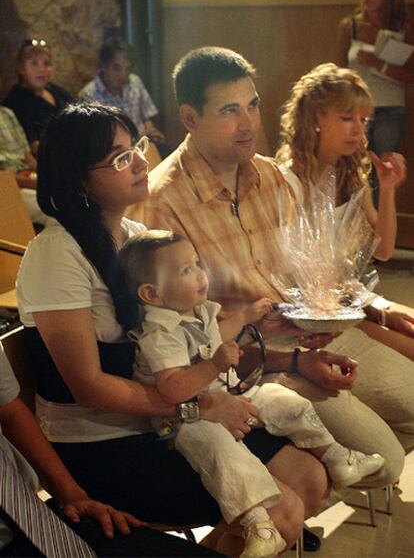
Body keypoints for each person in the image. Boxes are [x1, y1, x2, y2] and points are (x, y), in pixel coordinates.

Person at [16, 101, 330, 557]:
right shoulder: (56, 254)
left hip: (166, 418)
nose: (142, 160)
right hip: (103, 442)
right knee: (282, 512)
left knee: (309, 477)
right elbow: (88, 387)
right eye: (121, 158)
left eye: (136, 146)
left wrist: (245, 326)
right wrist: (194, 409)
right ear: (79, 180)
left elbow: (186, 335)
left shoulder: (135, 235)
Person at [132, 46, 408, 495]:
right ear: (189, 117)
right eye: (229, 110)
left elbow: (310, 271)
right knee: (388, 461)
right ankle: (299, 484)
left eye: (253, 105)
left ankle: (323, 449)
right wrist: (294, 359)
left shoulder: (272, 178)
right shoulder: (163, 203)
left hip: (307, 332)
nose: (247, 123)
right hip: (251, 364)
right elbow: (180, 337)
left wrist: (342, 314)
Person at [119, 228, 385, 558]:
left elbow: (216, 332)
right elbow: (173, 388)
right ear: (152, 294)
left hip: (224, 395)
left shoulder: (195, 309)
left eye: (197, 264)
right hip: (185, 420)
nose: (201, 275)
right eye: (186, 271)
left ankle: (335, 456)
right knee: (224, 454)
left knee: (283, 400)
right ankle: (257, 523)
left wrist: (246, 318)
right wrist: (214, 365)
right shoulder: (159, 332)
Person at [0, 341, 221, 557]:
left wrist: (73, 496)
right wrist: (197, 408)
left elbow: (9, 410)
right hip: (97, 447)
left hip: (32, 515)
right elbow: (90, 388)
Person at [275, 61, 414, 368]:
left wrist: (388, 188)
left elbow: (384, 250)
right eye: (346, 118)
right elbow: (286, 272)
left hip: (349, 296)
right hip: (315, 309)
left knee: (409, 321)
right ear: (315, 119)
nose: (358, 130)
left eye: (363, 120)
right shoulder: (289, 181)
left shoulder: (349, 174)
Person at [335, 0, 414, 205]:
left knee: (382, 170)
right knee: (351, 167)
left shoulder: (403, 29)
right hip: (356, 111)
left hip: (390, 111)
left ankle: (379, 225)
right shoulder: (350, 26)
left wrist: (378, 64)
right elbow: (338, 72)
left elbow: (410, 74)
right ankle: (353, 223)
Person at [79, 37, 170, 158]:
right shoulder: (88, 95)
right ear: (103, 66)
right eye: (117, 68)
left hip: (144, 145)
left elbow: (148, 115)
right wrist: (138, 138)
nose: (123, 75)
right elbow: (95, 143)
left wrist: (150, 131)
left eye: (127, 69)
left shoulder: (135, 82)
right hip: (116, 156)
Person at [3, 38, 72, 155]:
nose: (42, 70)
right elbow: (33, 146)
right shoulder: (16, 101)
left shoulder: (55, 90)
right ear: (21, 68)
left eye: (46, 63)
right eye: (34, 63)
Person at [0, 104, 48, 225]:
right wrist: (38, 184)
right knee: (57, 211)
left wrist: (49, 177)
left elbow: (28, 158)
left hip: (27, 177)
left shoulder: (6, 113)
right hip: (7, 188)